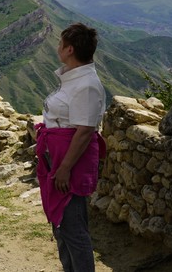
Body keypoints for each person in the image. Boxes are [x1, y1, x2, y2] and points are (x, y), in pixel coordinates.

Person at [36, 22, 106, 272]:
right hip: (56, 158)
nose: (57, 47)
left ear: (69, 49)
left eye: (60, 43)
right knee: (61, 225)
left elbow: (85, 130)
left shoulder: (86, 85)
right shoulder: (73, 78)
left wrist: (64, 168)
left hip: (69, 163)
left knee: (73, 227)